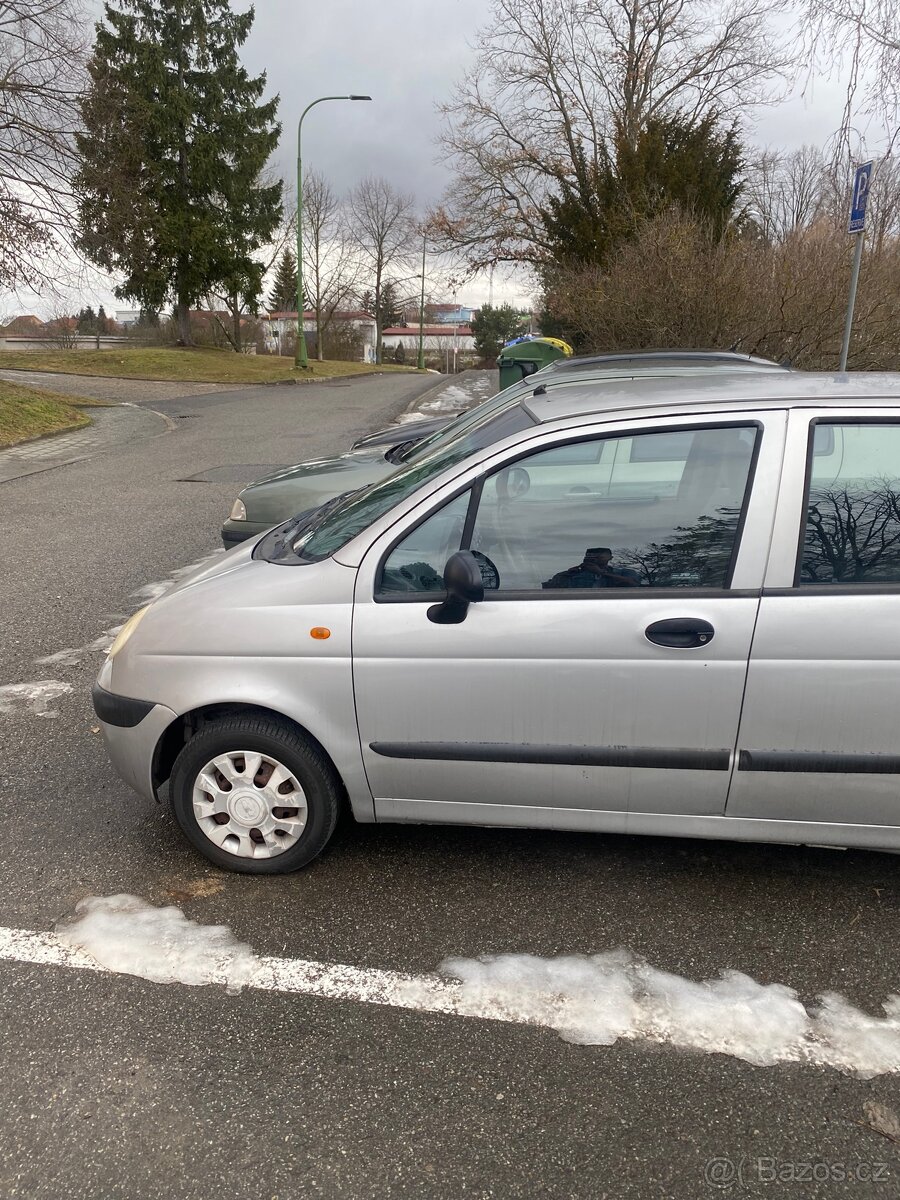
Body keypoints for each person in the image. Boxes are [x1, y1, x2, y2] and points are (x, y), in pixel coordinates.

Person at [543, 547, 641, 589]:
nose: (595, 560)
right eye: (590, 557)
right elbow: (549, 588)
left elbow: (634, 584)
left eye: (599, 557)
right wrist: (567, 574)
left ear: (610, 558)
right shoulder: (573, 574)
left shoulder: (623, 572)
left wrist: (602, 573)